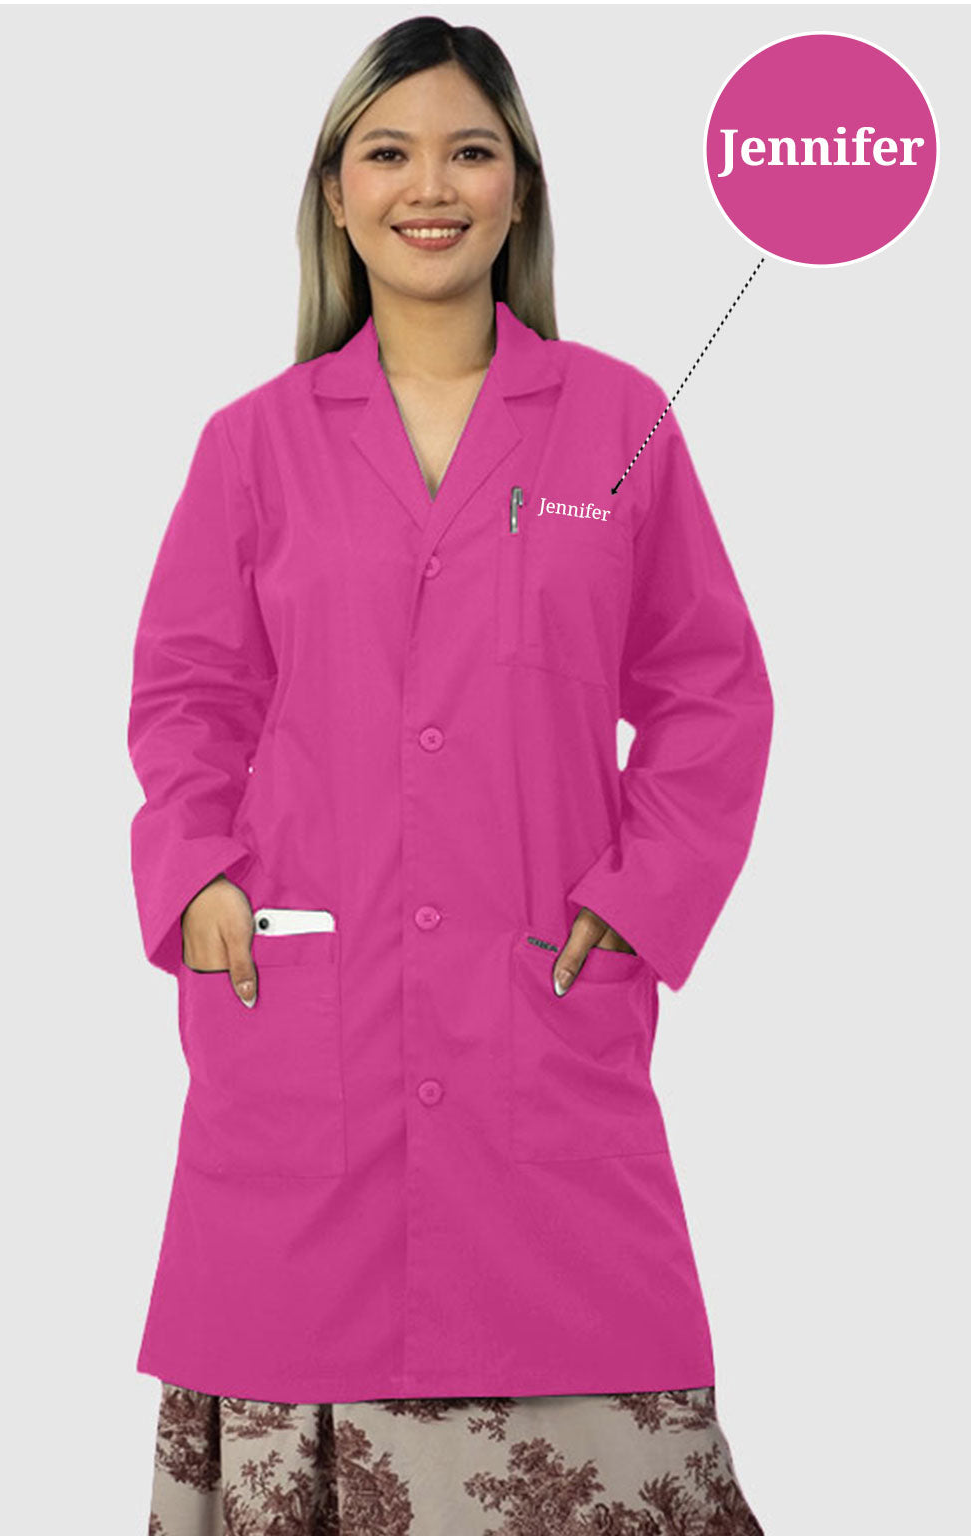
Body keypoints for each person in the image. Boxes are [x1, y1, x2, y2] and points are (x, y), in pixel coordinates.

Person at [128, 15, 773, 1536]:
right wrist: (198, 875)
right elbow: (189, 698)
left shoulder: (618, 424)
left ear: (519, 188)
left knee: (599, 1375)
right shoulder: (254, 445)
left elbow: (710, 690)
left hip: (540, 1011)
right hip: (310, 1011)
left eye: (471, 151)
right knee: (301, 1335)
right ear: (337, 194)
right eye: (390, 153)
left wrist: (645, 899)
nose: (432, 186)